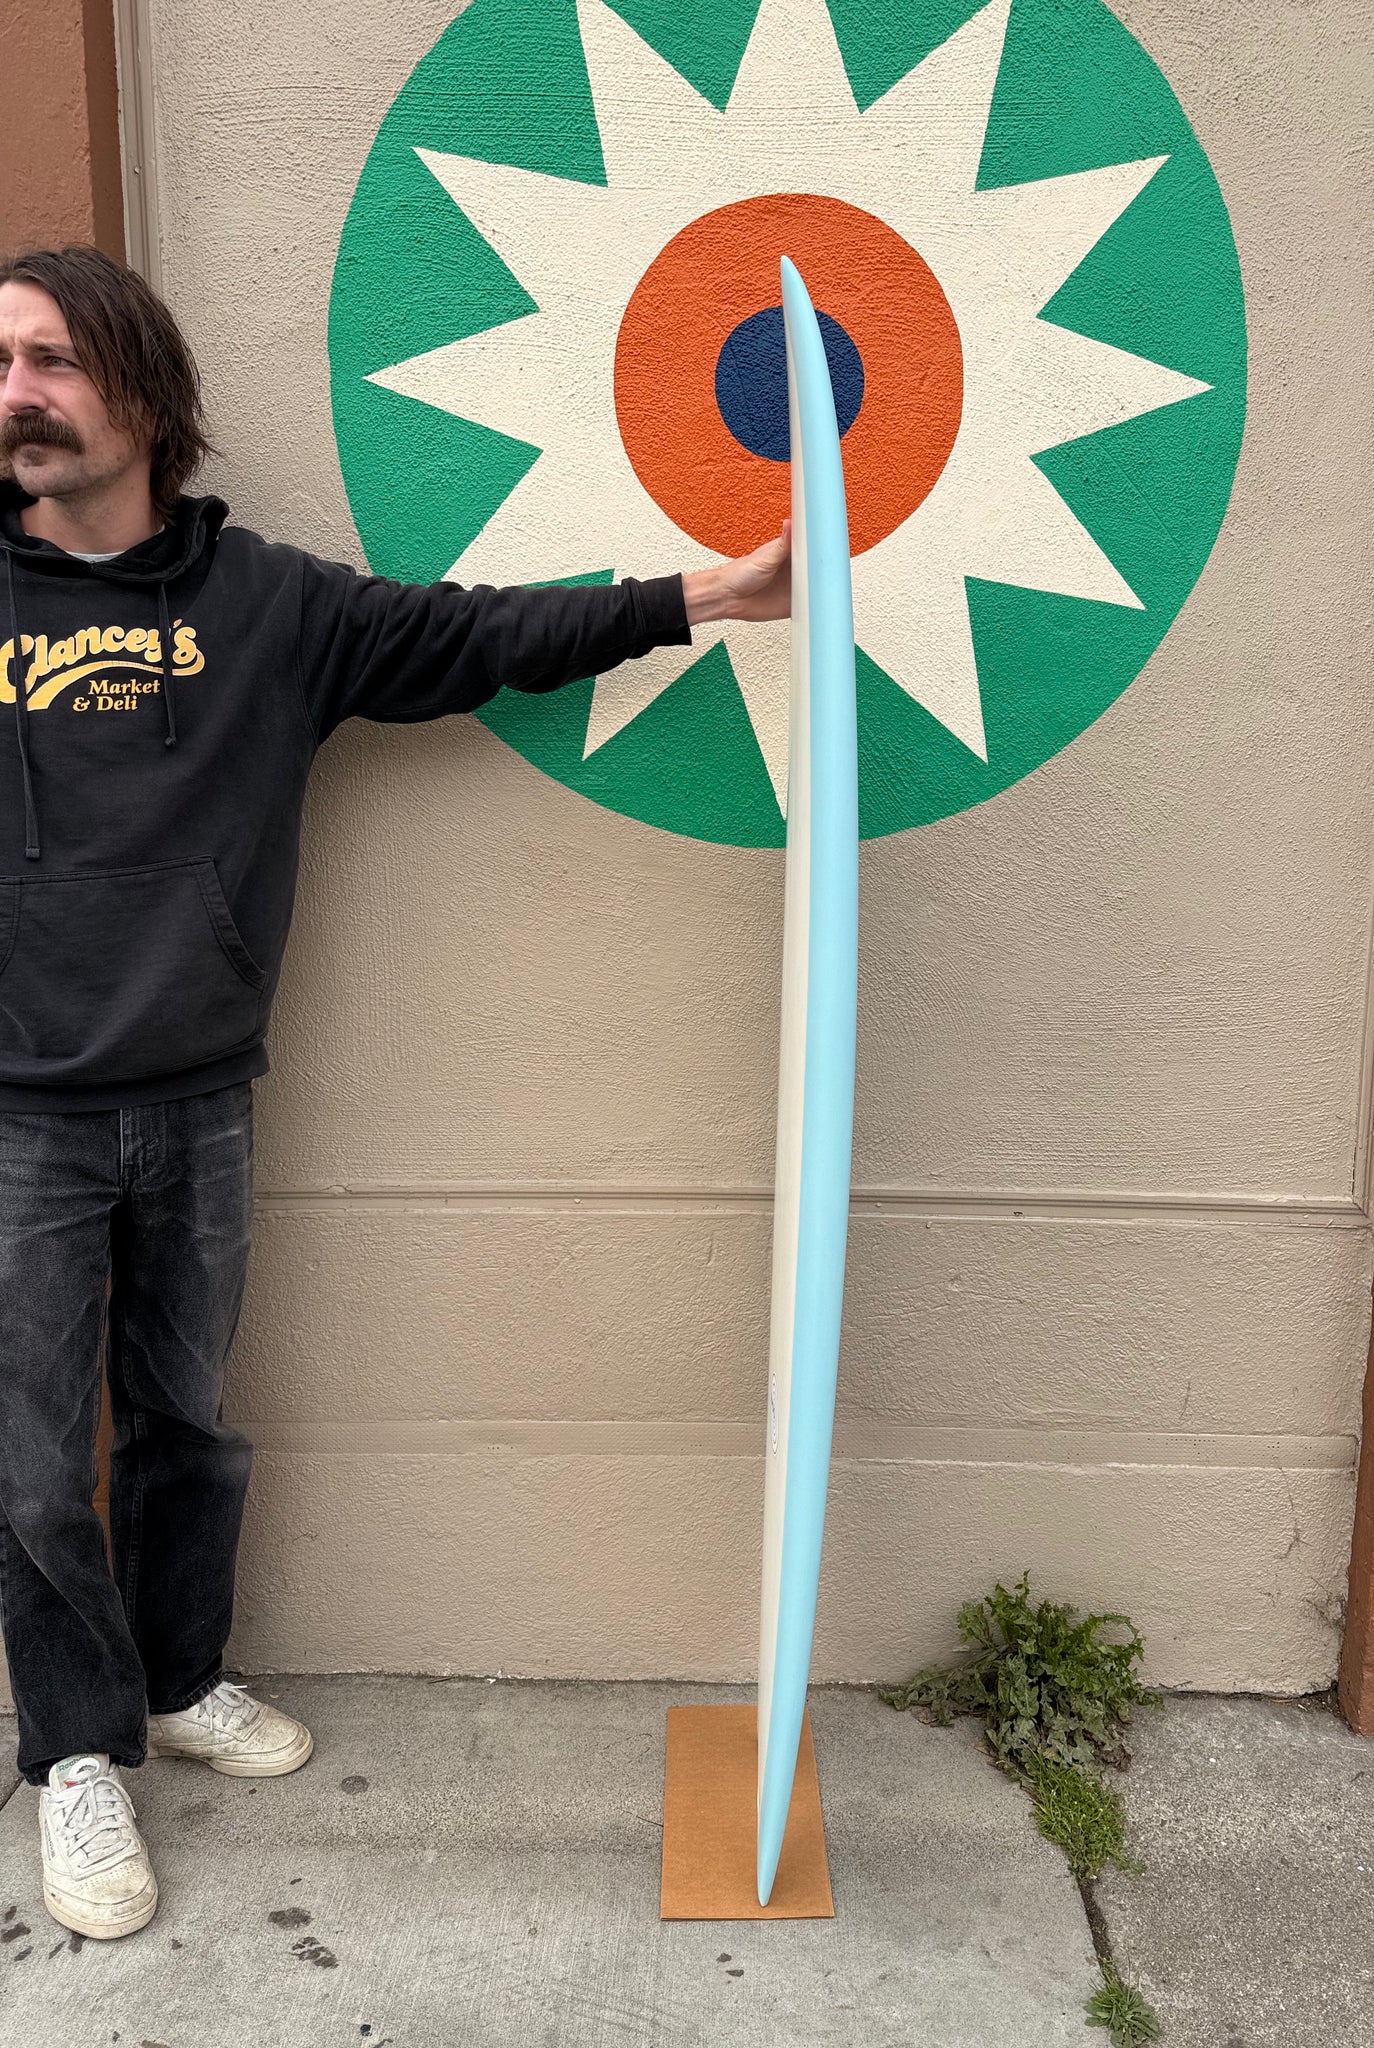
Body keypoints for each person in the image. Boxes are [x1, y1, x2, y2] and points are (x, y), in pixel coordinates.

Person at [0, 243, 790, 1942]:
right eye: (2, 365)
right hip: (16, 1119)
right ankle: (73, 1753)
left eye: (51, 359)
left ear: (143, 388)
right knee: (32, 1470)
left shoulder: (270, 609)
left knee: (189, 1427)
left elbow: (477, 634)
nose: (18, 395)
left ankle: (178, 1683)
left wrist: (704, 597)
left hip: (203, 1096)